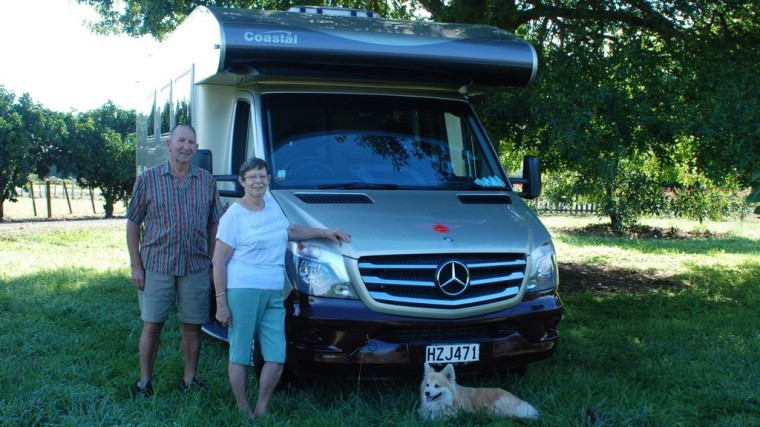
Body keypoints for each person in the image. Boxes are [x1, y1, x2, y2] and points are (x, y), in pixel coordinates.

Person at [212, 157, 350, 419]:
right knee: (240, 353)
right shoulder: (234, 215)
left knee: (276, 355)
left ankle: (262, 408)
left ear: (269, 179)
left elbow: (290, 230)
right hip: (243, 291)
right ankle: (243, 409)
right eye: (252, 176)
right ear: (242, 182)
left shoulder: (272, 204)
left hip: (274, 293)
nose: (258, 181)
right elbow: (218, 261)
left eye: (263, 176)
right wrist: (221, 302)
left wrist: (325, 232)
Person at [126, 124, 223, 396]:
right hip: (157, 265)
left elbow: (215, 223)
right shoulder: (149, 179)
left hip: (194, 265)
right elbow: (133, 223)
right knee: (152, 325)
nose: (186, 146)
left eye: (192, 142)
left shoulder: (206, 181)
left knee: (193, 327)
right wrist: (136, 265)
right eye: (181, 140)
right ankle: (145, 382)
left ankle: (189, 381)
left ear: (196, 147)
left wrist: (213, 260)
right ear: (169, 144)